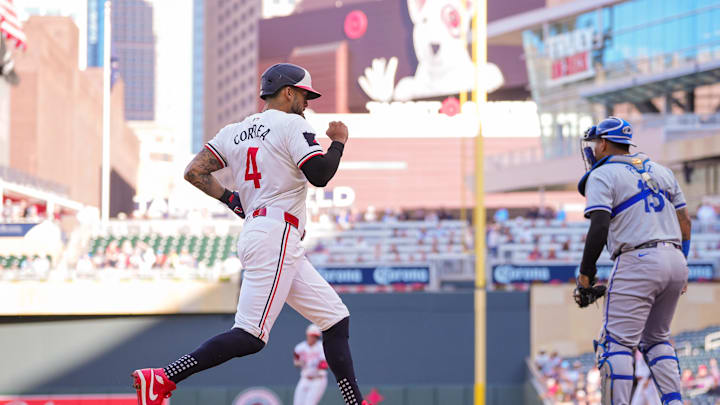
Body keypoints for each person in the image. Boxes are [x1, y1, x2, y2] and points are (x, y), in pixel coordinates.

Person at [131, 63, 370, 405]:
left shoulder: (234, 131)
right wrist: (338, 142)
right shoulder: (292, 124)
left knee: (334, 318)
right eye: (304, 94)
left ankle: (354, 402)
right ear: (289, 92)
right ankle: (164, 376)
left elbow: (194, 172)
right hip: (277, 234)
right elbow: (319, 174)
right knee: (250, 336)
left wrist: (232, 199)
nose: (307, 102)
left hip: (263, 230)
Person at [576, 117, 692, 405]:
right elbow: (685, 222)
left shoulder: (602, 175)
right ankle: (675, 402)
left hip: (637, 258)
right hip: (675, 259)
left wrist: (585, 273)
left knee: (616, 345)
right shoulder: (662, 171)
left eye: (594, 143)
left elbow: (600, 226)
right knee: (657, 339)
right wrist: (684, 262)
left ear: (603, 143)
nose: (592, 148)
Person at [293, 324, 328, 405]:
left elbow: (325, 364)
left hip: (318, 379)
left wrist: (318, 365)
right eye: (312, 336)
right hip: (305, 378)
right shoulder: (300, 347)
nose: (313, 338)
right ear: (307, 335)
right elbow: (295, 362)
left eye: (315, 336)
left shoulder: (321, 347)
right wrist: (300, 363)